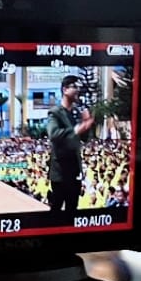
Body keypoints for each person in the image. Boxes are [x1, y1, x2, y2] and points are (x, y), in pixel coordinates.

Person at [45, 74, 93, 214]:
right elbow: (53, 134)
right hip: (60, 172)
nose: (78, 90)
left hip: (74, 171)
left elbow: (83, 139)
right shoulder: (55, 113)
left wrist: (86, 125)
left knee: (72, 210)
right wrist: (78, 129)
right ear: (65, 89)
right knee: (57, 210)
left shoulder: (76, 113)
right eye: (75, 87)